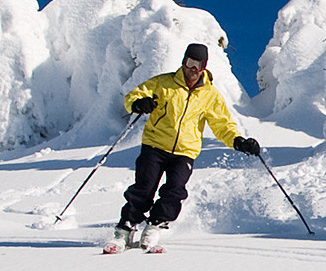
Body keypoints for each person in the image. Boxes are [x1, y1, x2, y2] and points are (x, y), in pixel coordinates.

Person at [111, 43, 262, 253]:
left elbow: (222, 125)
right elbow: (133, 96)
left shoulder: (211, 96)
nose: (192, 68)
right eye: (190, 62)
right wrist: (140, 104)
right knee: (144, 188)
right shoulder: (163, 83)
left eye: (197, 64)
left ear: (203, 67)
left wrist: (238, 141)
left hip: (185, 152)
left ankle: (155, 226)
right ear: (183, 62)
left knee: (174, 191)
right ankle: (125, 230)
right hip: (155, 145)